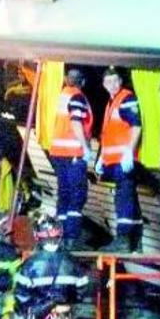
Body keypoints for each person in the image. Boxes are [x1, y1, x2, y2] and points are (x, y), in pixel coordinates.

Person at [96, 66, 143, 252]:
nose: (112, 85)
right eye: (109, 82)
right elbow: (110, 135)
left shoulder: (126, 99)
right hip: (114, 160)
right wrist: (101, 158)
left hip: (123, 160)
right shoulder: (112, 102)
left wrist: (129, 152)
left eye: (115, 81)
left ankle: (123, 240)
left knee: (123, 198)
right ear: (104, 84)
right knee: (129, 198)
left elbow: (136, 126)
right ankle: (136, 241)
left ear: (120, 82)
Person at [49, 68, 94, 251]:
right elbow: (76, 122)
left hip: (58, 152)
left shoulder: (61, 96)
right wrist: (84, 147)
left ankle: (58, 237)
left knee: (64, 195)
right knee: (77, 196)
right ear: (82, 82)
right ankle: (70, 238)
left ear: (67, 80)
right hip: (73, 153)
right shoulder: (77, 97)